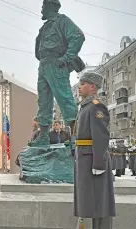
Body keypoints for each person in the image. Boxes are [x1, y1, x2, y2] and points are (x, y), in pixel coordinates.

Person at [30, 0, 85, 146]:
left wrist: (65, 58)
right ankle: (43, 136)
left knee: (65, 98)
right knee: (43, 101)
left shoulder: (62, 21)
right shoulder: (45, 27)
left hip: (56, 64)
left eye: (43, 7)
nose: (41, 10)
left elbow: (78, 37)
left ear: (50, 6)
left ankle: (74, 137)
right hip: (44, 65)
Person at [74, 72, 115, 229]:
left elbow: (101, 137)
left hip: (92, 159)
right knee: (88, 201)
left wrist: (99, 163)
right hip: (85, 158)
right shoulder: (85, 107)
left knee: (99, 201)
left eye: (83, 84)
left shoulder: (96, 106)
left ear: (92, 87)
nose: (79, 87)